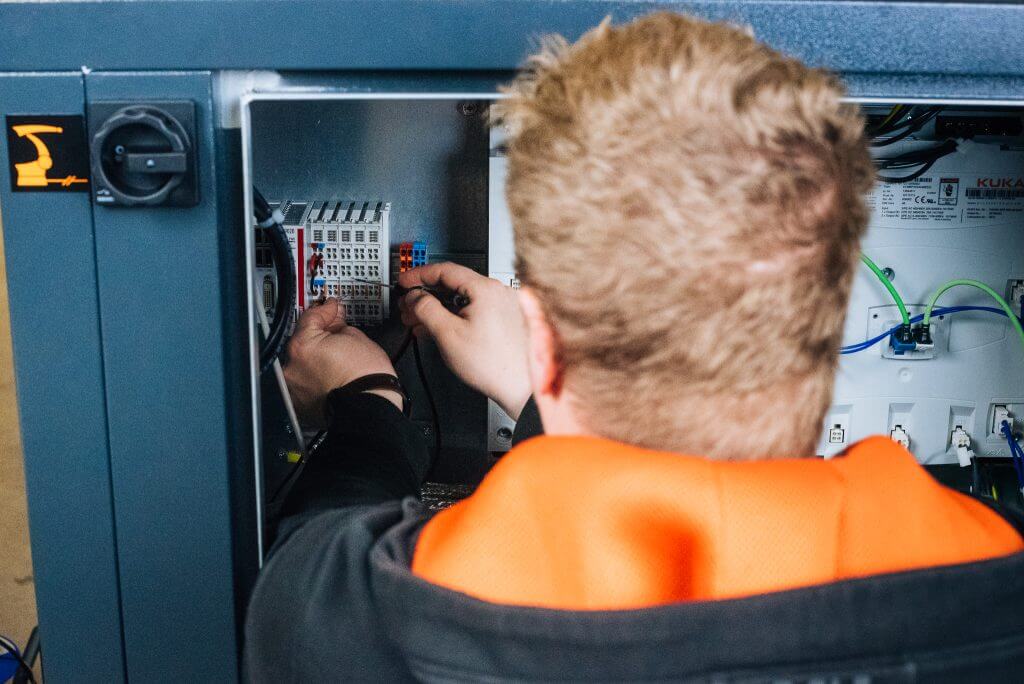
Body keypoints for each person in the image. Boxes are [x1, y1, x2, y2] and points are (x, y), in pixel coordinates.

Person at [246, 13, 1024, 681]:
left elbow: (305, 569)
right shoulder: (994, 580)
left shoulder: (374, 621)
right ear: (824, 325)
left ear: (541, 341)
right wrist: (537, 397)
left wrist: (369, 403)